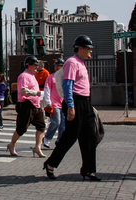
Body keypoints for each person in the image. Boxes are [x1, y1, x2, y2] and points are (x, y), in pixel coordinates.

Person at [43, 35, 100, 181]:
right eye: (88, 49)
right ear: (80, 48)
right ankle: (51, 163)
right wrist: (70, 106)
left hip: (85, 103)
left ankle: (88, 169)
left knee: (89, 137)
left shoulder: (81, 63)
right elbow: (67, 85)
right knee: (70, 137)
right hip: (75, 101)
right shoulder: (72, 62)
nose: (90, 52)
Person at [6, 55, 46, 158]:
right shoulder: (24, 76)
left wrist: (39, 97)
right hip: (26, 105)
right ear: (28, 65)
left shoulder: (32, 76)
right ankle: (11, 145)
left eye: (37, 65)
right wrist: (37, 94)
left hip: (36, 105)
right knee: (21, 128)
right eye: (34, 65)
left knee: (41, 126)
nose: (36, 67)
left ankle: (37, 147)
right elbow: (22, 90)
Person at [42, 58, 65, 148]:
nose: (56, 67)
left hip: (63, 103)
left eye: (58, 66)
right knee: (56, 122)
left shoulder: (65, 78)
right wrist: (48, 102)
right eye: (55, 66)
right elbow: (47, 90)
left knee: (63, 124)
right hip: (54, 103)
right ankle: (47, 138)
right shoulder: (51, 77)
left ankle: (60, 140)